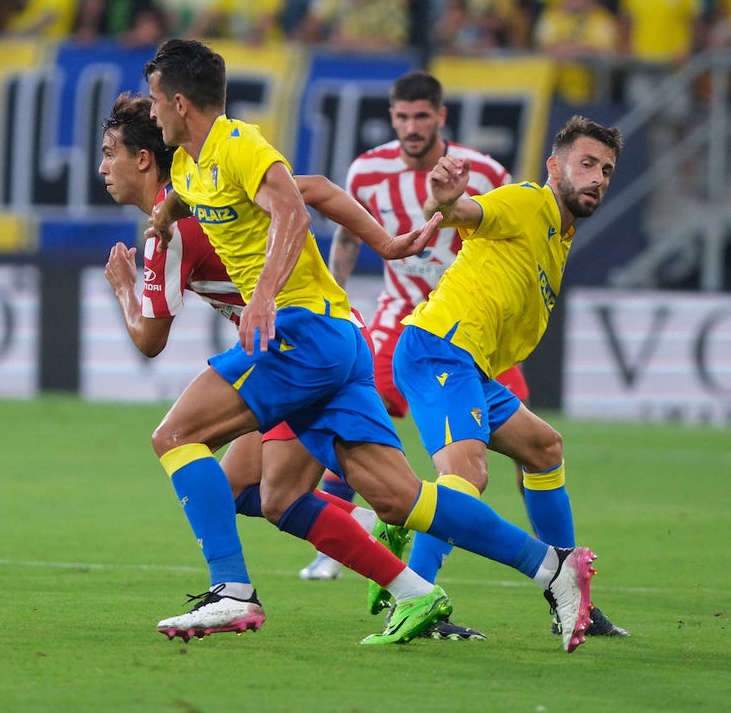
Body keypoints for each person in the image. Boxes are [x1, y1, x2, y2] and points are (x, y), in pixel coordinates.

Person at [143, 38, 598, 652]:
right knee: (399, 498)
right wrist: (165, 216)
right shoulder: (188, 167)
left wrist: (264, 295)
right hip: (341, 339)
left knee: (175, 437)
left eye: (154, 101)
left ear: (179, 101)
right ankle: (547, 568)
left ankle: (232, 590)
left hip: (299, 331)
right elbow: (320, 189)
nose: (151, 115)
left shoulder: (239, 143)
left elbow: (295, 212)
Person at [99, 91, 480, 642]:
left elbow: (150, 339)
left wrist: (126, 293)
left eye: (110, 152)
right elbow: (319, 189)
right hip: (319, 335)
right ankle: (413, 588)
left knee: (188, 444)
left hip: (296, 348)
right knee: (248, 494)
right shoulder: (205, 190)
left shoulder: (175, 230)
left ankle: (235, 590)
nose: (102, 167)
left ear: (142, 159)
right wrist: (385, 244)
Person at [391, 113, 628, 646]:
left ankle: (571, 597)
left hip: (468, 365)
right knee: (465, 475)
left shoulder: (559, 234)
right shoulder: (526, 201)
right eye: (587, 164)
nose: (597, 178)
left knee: (544, 448)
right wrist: (446, 199)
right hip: (439, 349)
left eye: (607, 170)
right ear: (554, 166)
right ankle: (415, 600)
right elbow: (460, 211)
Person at [299, 71, 522, 596]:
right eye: (402, 116)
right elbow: (350, 238)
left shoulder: (485, 171)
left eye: (422, 116)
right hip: (398, 320)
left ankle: (548, 548)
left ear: (440, 117)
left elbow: (513, 237)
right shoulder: (369, 170)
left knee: (527, 448)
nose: (411, 126)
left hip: (471, 326)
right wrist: (336, 299)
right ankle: (338, 546)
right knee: (355, 419)